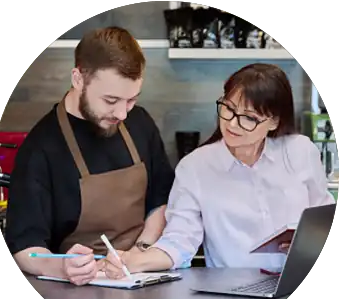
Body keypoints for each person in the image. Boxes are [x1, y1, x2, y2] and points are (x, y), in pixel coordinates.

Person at [103, 63, 336, 279]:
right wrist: (135, 262)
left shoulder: (300, 151)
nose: (233, 124)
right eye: (228, 109)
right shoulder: (195, 167)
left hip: (303, 281)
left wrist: (311, 241)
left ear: (274, 121)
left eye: (249, 118)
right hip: (232, 289)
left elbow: (323, 218)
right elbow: (180, 240)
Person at [4, 26, 175, 285]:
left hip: (143, 276)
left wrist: (139, 253)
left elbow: (160, 201)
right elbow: (27, 249)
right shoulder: (41, 147)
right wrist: (63, 268)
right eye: (110, 100)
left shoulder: (139, 122)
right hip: (78, 289)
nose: (122, 114)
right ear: (78, 79)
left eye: (131, 100)